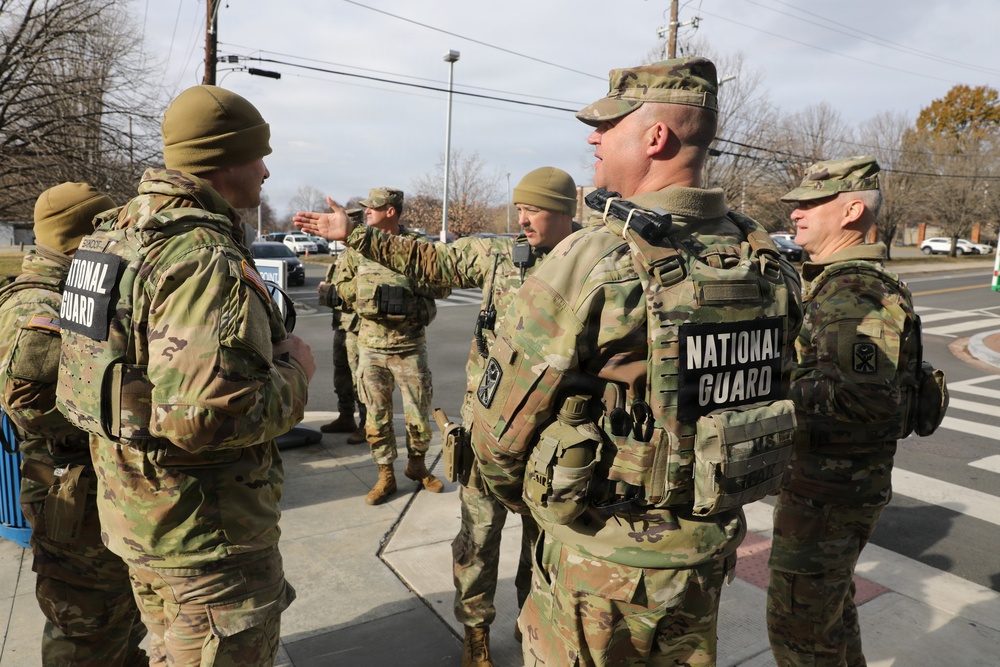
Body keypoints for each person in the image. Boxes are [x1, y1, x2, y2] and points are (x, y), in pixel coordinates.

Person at [469, 57, 803, 666]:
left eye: (610, 124)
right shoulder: (765, 259)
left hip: (601, 562)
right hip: (706, 551)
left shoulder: (598, 257)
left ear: (656, 137)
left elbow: (498, 435)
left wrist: (533, 503)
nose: (593, 138)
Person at [55, 85, 315, 666]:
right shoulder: (201, 256)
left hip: (136, 518)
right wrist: (296, 368)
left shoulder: (108, 238)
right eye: (259, 154)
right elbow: (202, 418)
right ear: (224, 160)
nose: (267, 169)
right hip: (205, 541)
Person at [296, 167, 580, 666]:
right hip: (489, 432)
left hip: (554, 441)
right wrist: (355, 234)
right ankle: (476, 634)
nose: (522, 218)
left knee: (543, 546)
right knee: (478, 539)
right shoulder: (496, 255)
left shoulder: (591, 263)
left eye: (533, 209)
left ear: (565, 211)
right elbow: (429, 258)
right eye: (519, 208)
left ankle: (532, 621)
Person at [767, 156, 920, 667]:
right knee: (828, 617)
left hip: (828, 494)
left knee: (801, 630)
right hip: (831, 488)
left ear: (852, 210)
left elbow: (864, 397)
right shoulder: (840, 283)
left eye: (811, 203)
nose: (796, 213)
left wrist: (767, 385)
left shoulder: (854, 290)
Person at [0, 183, 148, 666]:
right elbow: (39, 412)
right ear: (80, 239)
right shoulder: (39, 309)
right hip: (73, 498)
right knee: (86, 631)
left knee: (118, 624)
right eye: (105, 228)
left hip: (85, 495)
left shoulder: (63, 296)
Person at [328, 187, 450, 505]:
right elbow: (339, 285)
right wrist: (366, 292)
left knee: (420, 416)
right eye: (366, 208)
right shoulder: (357, 247)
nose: (366, 212)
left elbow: (444, 285)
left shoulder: (418, 247)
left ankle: (417, 466)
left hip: (409, 345)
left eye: (373, 208)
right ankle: (385, 475)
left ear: (391, 211)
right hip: (371, 346)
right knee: (376, 417)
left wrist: (407, 285)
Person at [317, 208, 366, 438]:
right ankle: (346, 417)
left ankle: (367, 425)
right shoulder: (344, 254)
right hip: (341, 325)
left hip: (358, 327)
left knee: (360, 379)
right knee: (342, 376)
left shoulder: (363, 255)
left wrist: (332, 291)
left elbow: (363, 291)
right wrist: (326, 291)